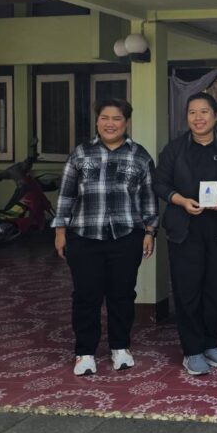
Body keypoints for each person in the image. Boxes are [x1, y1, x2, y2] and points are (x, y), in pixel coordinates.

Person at [53, 99, 157, 376]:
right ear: (97, 121)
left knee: (122, 294)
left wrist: (150, 231)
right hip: (84, 235)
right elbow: (66, 195)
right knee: (86, 296)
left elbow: (148, 198)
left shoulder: (139, 156)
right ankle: (84, 352)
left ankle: (120, 347)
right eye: (105, 118)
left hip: (126, 235)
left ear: (126, 123)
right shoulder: (80, 154)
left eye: (117, 118)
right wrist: (60, 231)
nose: (110, 123)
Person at [154, 92, 217, 376]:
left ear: (216, 116)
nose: (198, 118)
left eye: (204, 112)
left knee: (216, 288)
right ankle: (192, 350)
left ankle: (211, 343)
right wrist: (180, 200)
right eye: (192, 112)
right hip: (184, 228)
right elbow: (160, 183)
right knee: (187, 289)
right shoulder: (175, 149)